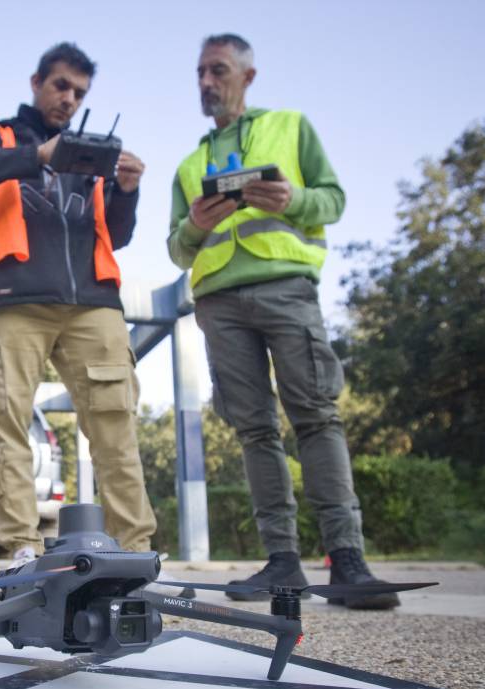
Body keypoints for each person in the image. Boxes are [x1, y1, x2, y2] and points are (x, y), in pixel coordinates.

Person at [167, 34, 399, 609]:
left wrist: (291, 199)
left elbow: (334, 200)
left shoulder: (292, 127)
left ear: (248, 75)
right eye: (200, 72)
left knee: (316, 418)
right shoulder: (190, 164)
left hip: (286, 290)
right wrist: (195, 223)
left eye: (217, 70)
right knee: (254, 432)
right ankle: (282, 564)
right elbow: (177, 248)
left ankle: (346, 562)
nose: (205, 82)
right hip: (220, 305)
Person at [0, 42, 156, 563]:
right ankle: (20, 549)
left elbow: (118, 235)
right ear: (36, 82)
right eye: (61, 85)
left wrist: (126, 189)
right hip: (16, 298)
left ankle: (136, 551)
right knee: (7, 418)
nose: (69, 98)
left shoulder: (95, 155)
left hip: (94, 301)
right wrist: (35, 156)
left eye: (79, 92)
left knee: (115, 424)